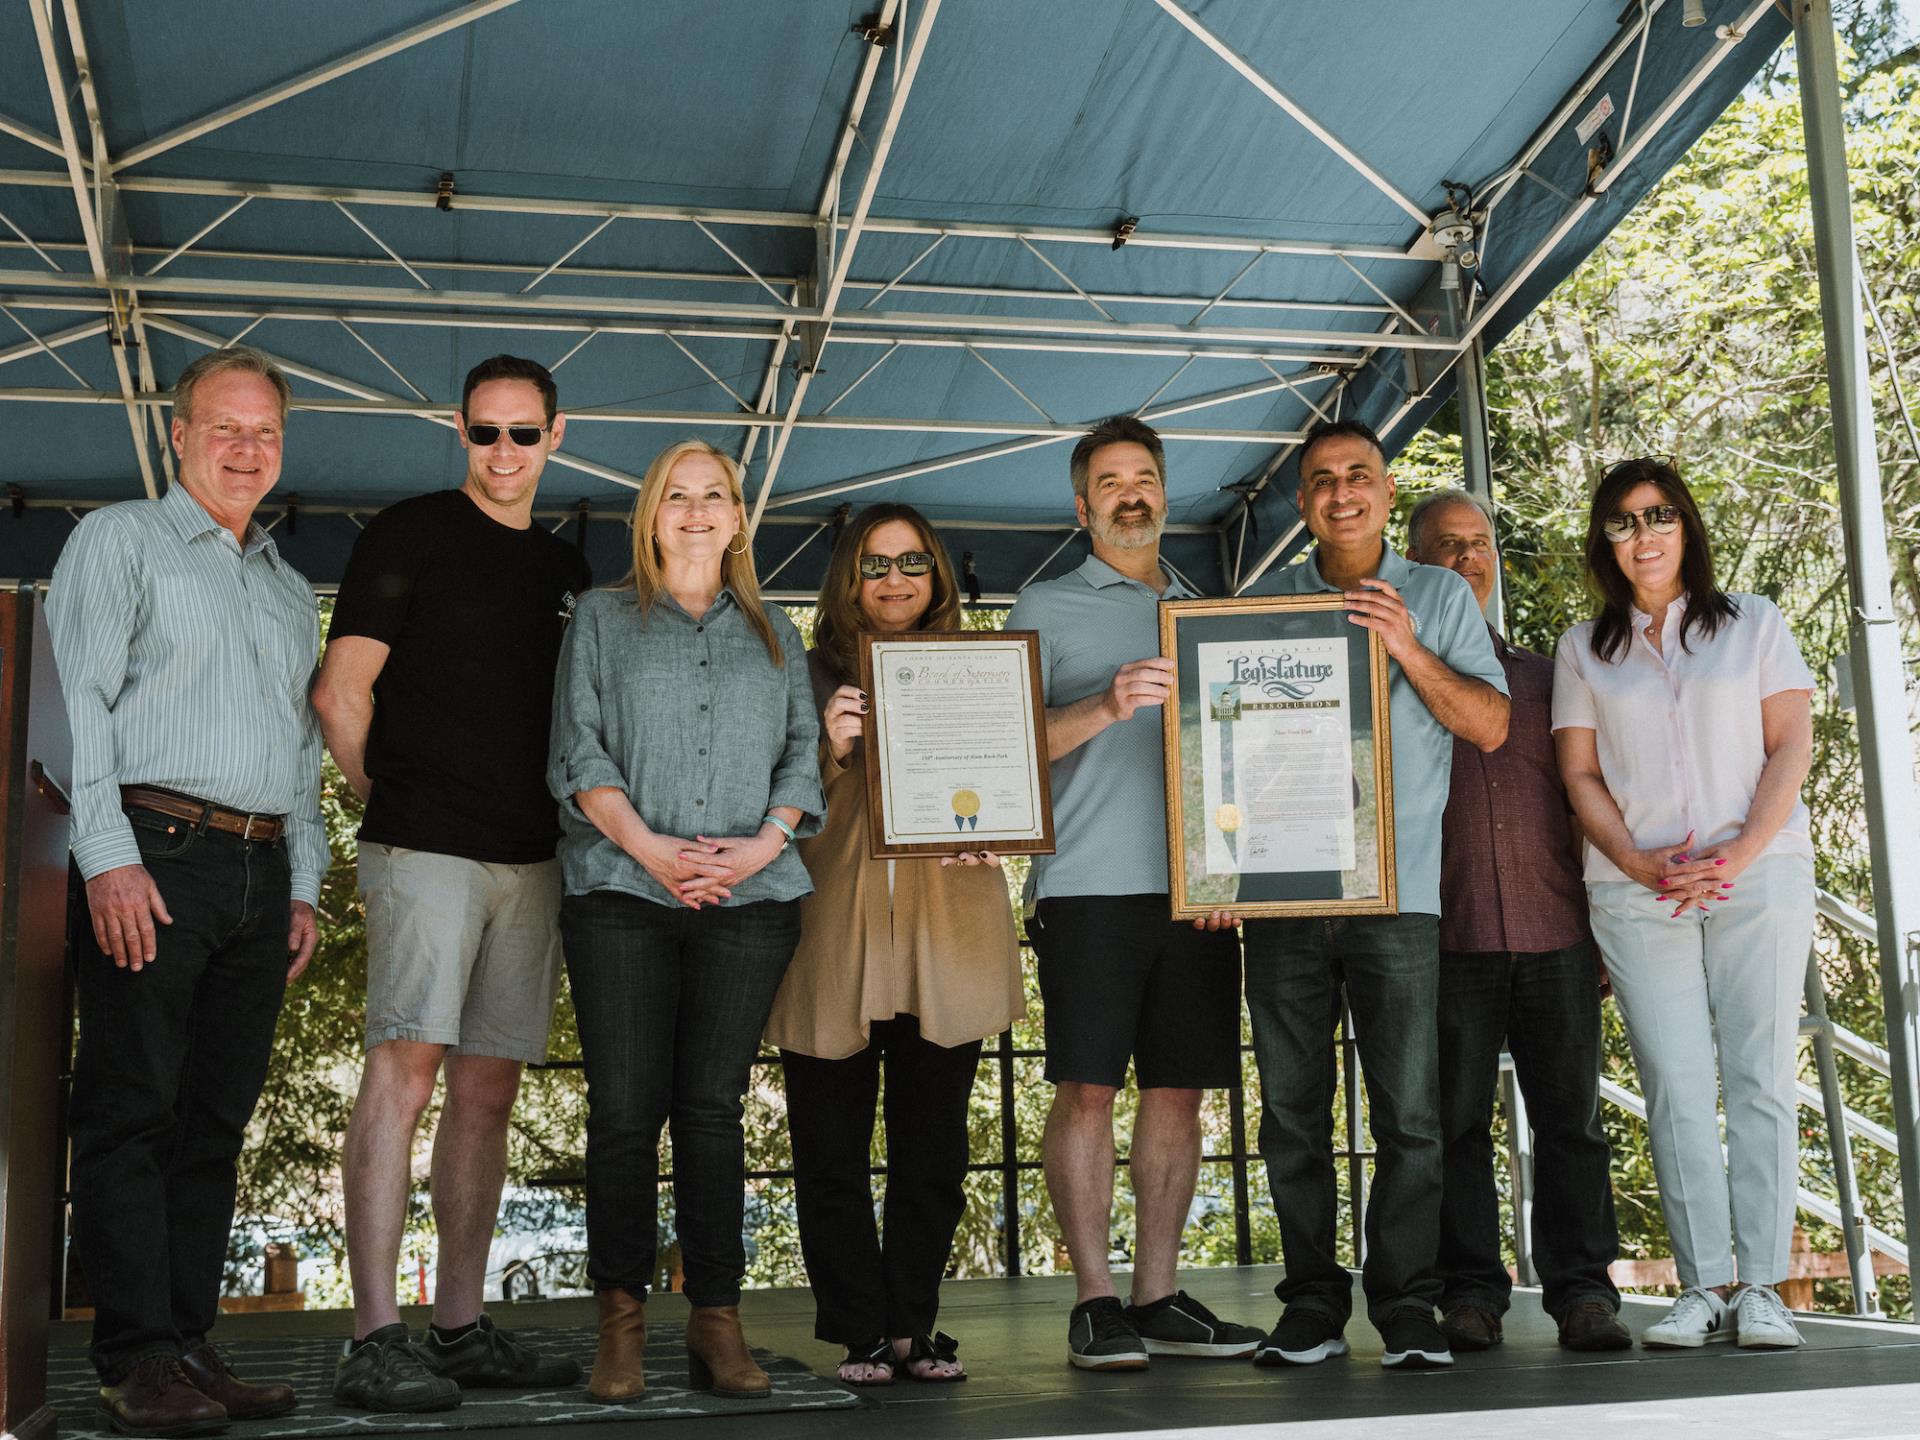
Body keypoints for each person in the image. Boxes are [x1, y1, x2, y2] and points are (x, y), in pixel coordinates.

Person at [47, 346, 325, 1435]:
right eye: (225, 427)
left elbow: (301, 753)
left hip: (260, 873)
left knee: (216, 1117)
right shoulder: (118, 540)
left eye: (266, 431)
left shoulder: (291, 588)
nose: (247, 448)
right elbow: (77, 709)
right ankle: (134, 1356)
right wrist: (108, 857)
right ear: (179, 434)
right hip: (153, 855)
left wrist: (302, 882)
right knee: (132, 1107)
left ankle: (187, 1340)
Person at [312, 355, 590, 1411]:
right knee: (406, 1073)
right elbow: (341, 693)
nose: (505, 453)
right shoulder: (409, 530)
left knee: (487, 1092)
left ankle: (461, 1325)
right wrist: (393, 798)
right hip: (425, 848)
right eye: (486, 433)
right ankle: (375, 1336)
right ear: (458, 430)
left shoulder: (569, 571)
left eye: (525, 434)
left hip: (536, 859)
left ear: (557, 435)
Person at [548, 439, 824, 1400]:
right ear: (651, 516)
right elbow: (578, 752)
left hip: (751, 898)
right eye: (678, 496)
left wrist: (757, 848)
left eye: (715, 496)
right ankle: (619, 1328)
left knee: (711, 1115)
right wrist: (654, 853)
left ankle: (717, 1324)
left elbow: (803, 755)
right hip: (621, 891)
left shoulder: (778, 631)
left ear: (740, 516)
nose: (697, 512)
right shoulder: (600, 619)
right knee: (625, 1115)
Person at [1242, 420, 1510, 1371]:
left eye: (1359, 475)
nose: (1342, 492)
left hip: (1400, 896)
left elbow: (1488, 724)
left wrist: (1406, 645)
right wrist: (1220, 867)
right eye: (1322, 479)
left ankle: (1405, 1305)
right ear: (1302, 499)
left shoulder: (1437, 594)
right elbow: (1220, 757)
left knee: (1410, 1116)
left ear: (1388, 492)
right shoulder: (1259, 608)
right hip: (1280, 897)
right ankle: (1312, 1303)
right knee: (1291, 1115)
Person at [1004, 415, 1263, 1372]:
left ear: (1165, 492)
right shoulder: (1045, 601)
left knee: (1180, 1096)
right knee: (1086, 1090)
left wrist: (1244, 870)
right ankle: (1094, 1302)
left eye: (1145, 477)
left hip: (1202, 894)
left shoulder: (1212, 610)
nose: (1131, 494)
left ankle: (1156, 1295)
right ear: (1083, 505)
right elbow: (1004, 754)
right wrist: (1106, 705)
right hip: (1087, 885)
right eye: (1110, 482)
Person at [1552, 458, 1815, 1350]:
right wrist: (1637, 861)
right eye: (1623, 523)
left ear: (1686, 525)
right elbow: (1579, 774)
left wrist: (1734, 854)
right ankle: (1703, 1285)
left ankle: (1765, 1288)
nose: (1644, 535)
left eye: (1658, 515)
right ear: (1606, 542)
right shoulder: (1583, 649)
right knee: (1674, 1083)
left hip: (1758, 874)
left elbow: (1790, 748)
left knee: (1759, 1077)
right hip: (1636, 891)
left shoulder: (1756, 626)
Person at [766, 504, 1024, 1386]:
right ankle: (858, 1331)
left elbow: (1010, 783)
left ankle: (913, 1325)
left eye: (913, 562)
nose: (896, 579)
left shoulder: (982, 673)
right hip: (830, 933)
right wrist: (829, 751)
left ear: (938, 575)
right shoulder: (791, 675)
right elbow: (759, 808)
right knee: (829, 1152)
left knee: (936, 1154)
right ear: (847, 577)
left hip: (946, 931)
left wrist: (1004, 823)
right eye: (875, 564)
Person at [1404, 488, 1629, 1353]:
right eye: (1445, 546)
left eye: (1479, 543)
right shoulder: (1395, 681)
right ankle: (1470, 1294)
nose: (1467, 559)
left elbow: (1586, 806)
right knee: (1453, 1126)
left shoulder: (1550, 679)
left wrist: (1602, 922)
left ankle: (1582, 1292)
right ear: (1414, 564)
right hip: (1446, 939)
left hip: (1557, 935)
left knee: (1571, 1122)